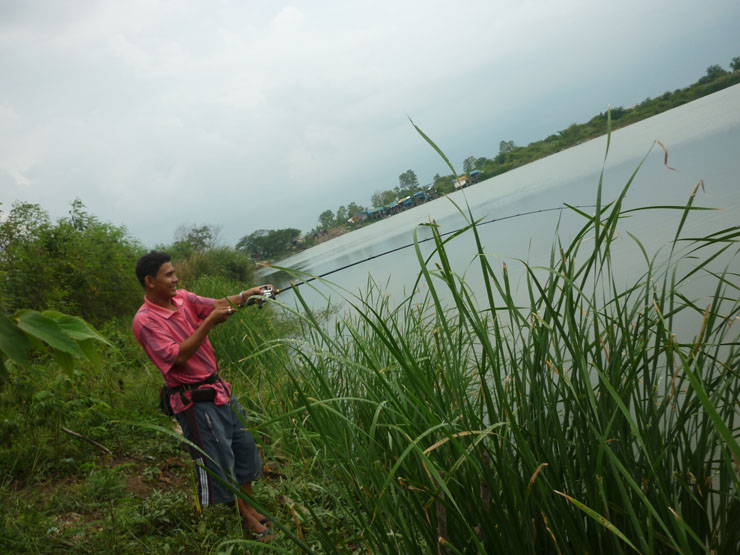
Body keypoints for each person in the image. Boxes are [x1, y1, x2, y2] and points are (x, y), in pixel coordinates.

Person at [132, 250, 274, 540]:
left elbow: (218, 304)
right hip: (194, 401)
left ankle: (248, 506)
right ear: (149, 281)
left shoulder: (182, 298)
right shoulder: (145, 321)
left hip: (219, 389)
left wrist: (246, 295)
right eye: (169, 274)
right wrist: (208, 324)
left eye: (174, 273)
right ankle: (245, 519)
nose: (175, 278)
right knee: (221, 460)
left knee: (243, 447)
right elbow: (178, 357)